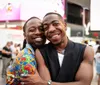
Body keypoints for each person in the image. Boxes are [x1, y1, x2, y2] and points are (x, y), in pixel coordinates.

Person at [20, 12, 94, 85]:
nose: (51, 29)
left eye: (55, 24)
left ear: (65, 25)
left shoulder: (86, 51)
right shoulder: (40, 52)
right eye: (46, 28)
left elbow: (84, 83)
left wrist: (45, 83)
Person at [6, 16, 50, 85]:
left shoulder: (39, 53)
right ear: (25, 35)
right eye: (32, 30)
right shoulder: (26, 58)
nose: (38, 32)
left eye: (41, 29)